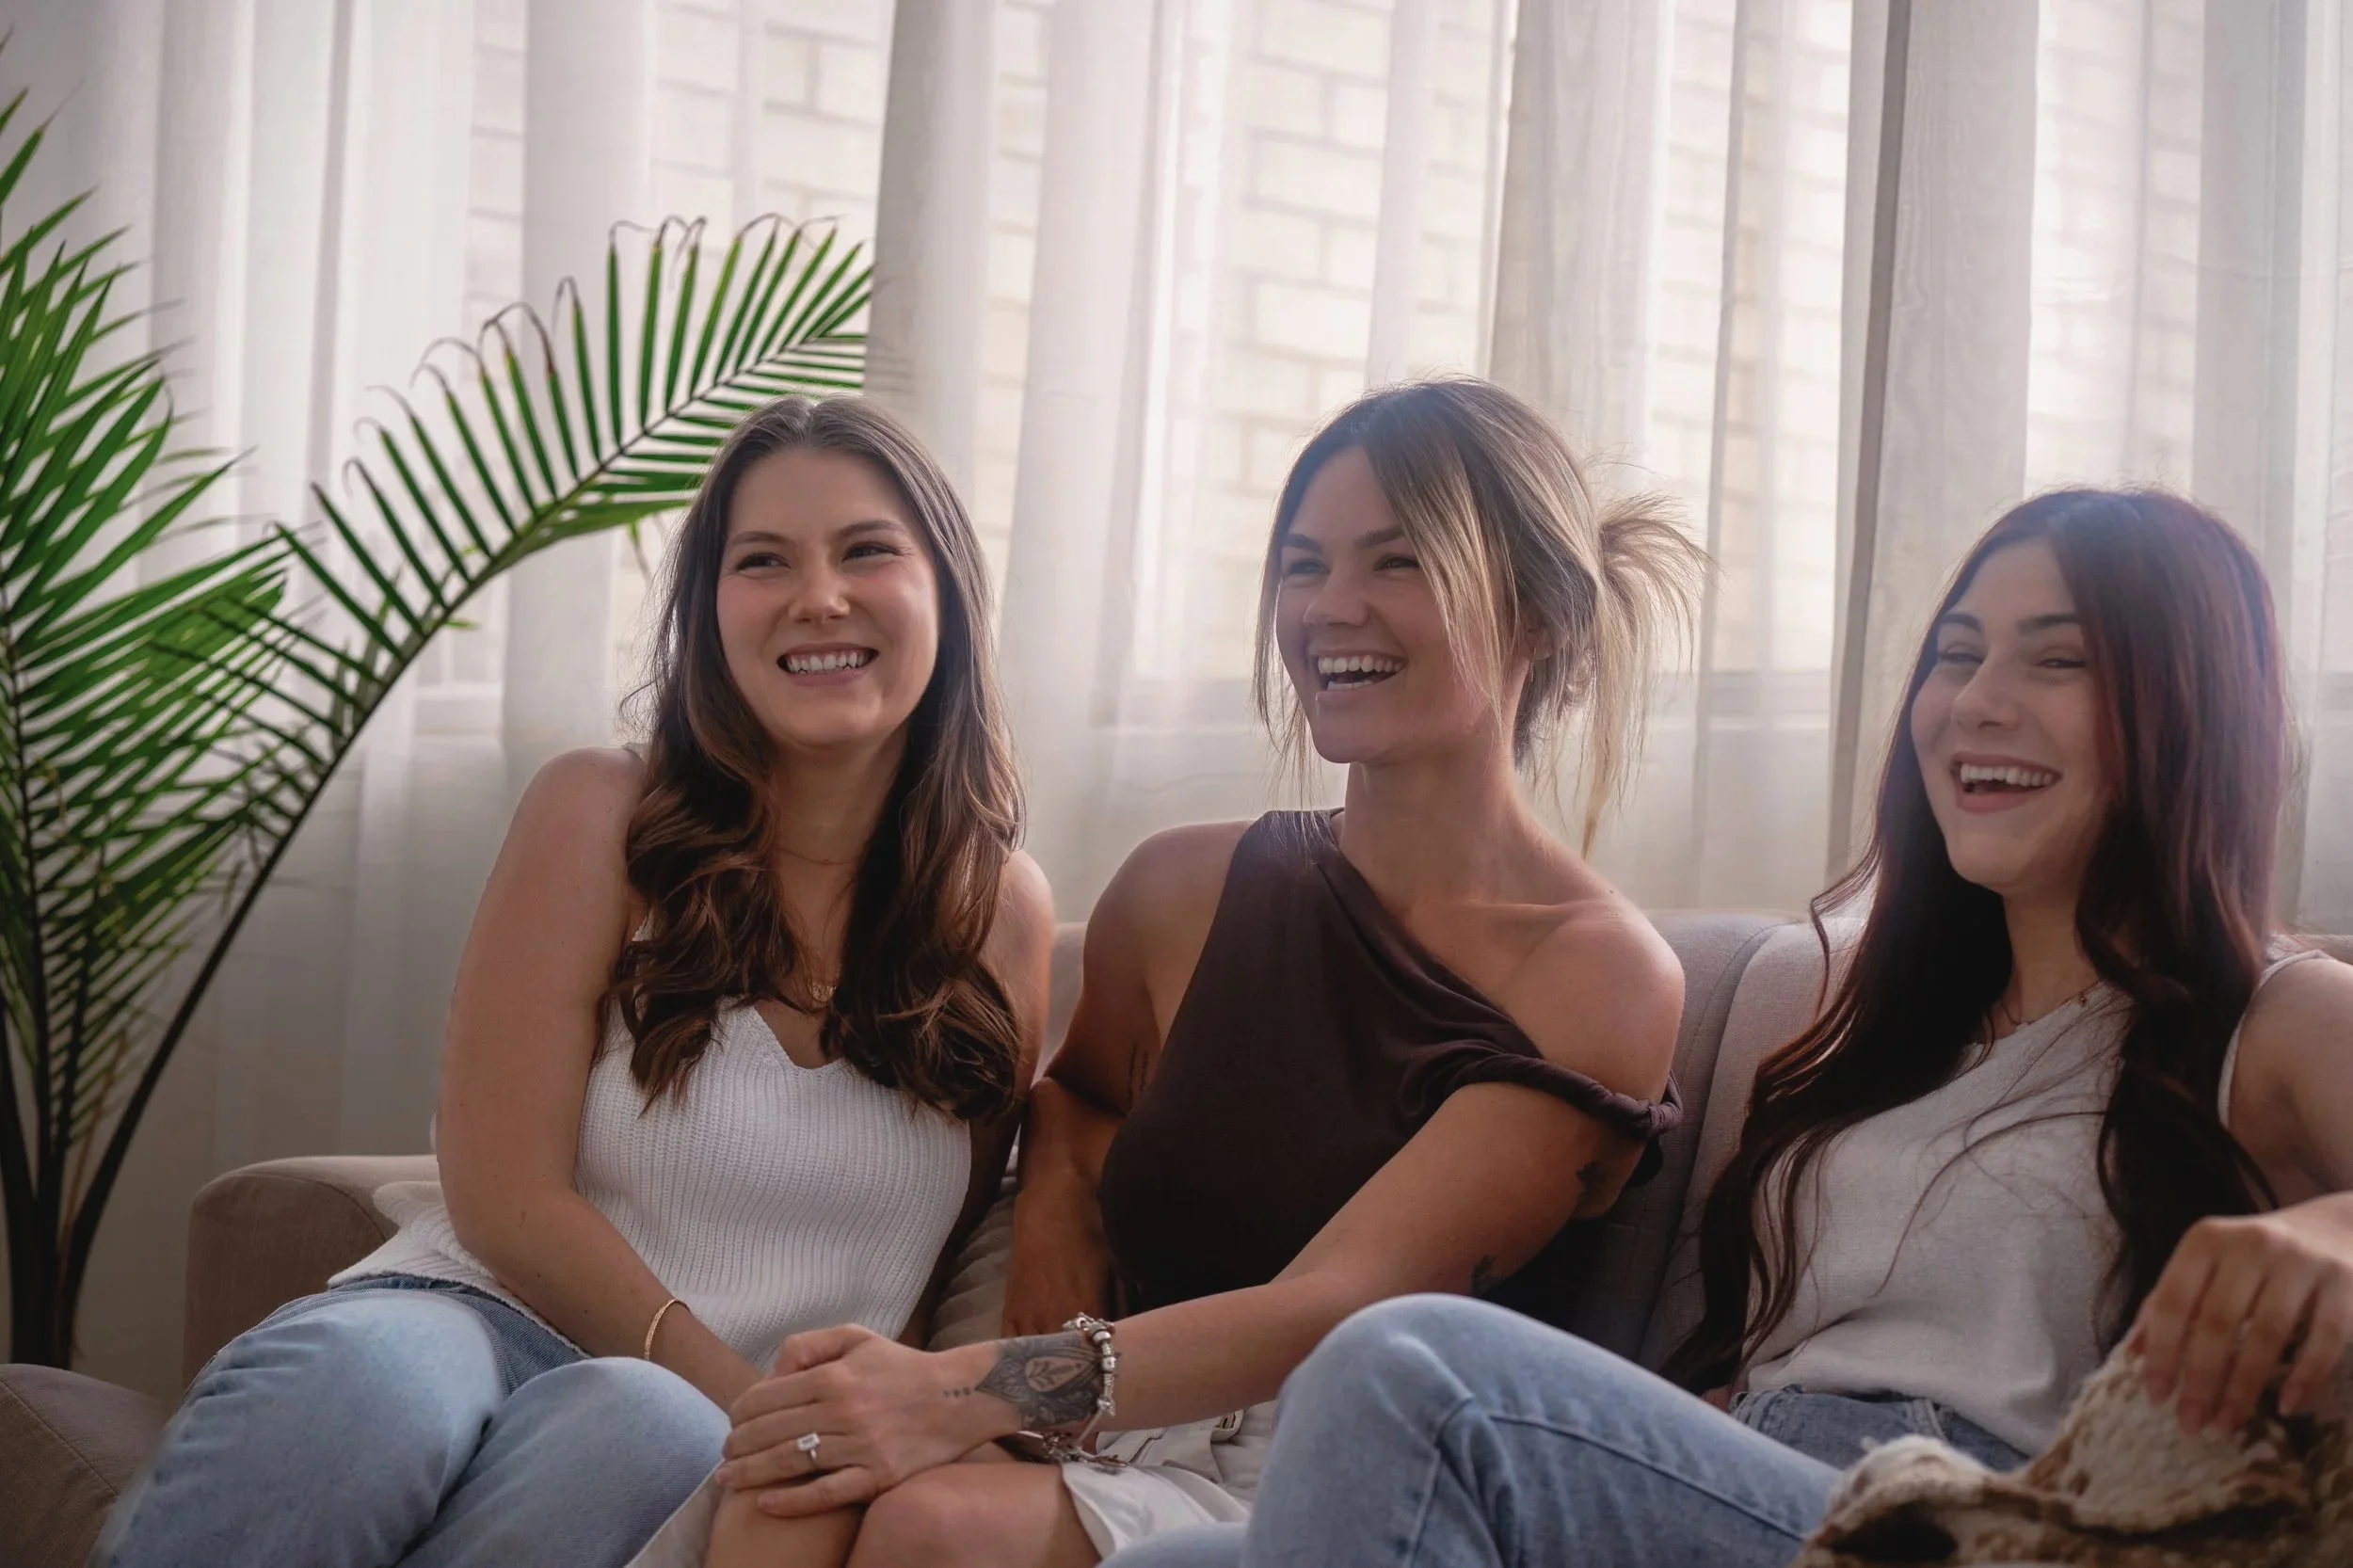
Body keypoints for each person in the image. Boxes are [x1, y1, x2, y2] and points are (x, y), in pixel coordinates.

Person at [1107, 487, 2353, 1568]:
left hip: (1978, 1524)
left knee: (1409, 1368)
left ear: (2193, 703)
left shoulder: (2275, 1014)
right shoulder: (1878, 1029)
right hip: (1759, 1492)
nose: (1976, 701)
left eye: (2057, 659)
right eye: (1956, 655)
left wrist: (2332, 1232)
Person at [682, 376, 1705, 1568]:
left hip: (1354, 1465)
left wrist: (961, 1389)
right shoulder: (1180, 891)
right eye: (1303, 565)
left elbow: (1335, 1305)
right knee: (795, 1472)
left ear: (1537, 611)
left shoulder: (1601, 976)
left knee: (929, 1523)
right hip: (1120, 1422)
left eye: (1398, 562)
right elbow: (1075, 1093)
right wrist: (1059, 1186)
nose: (1330, 608)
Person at [95, 395, 1054, 1568]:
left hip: (702, 1429)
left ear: (947, 594)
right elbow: (501, 1190)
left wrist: (862, 1426)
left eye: (867, 551)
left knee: (646, 1430)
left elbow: (941, 1256)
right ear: (711, 613)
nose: (819, 595)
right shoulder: (601, 811)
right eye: (764, 561)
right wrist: (742, 1399)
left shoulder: (1000, 913)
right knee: (369, 1386)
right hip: (476, 1321)